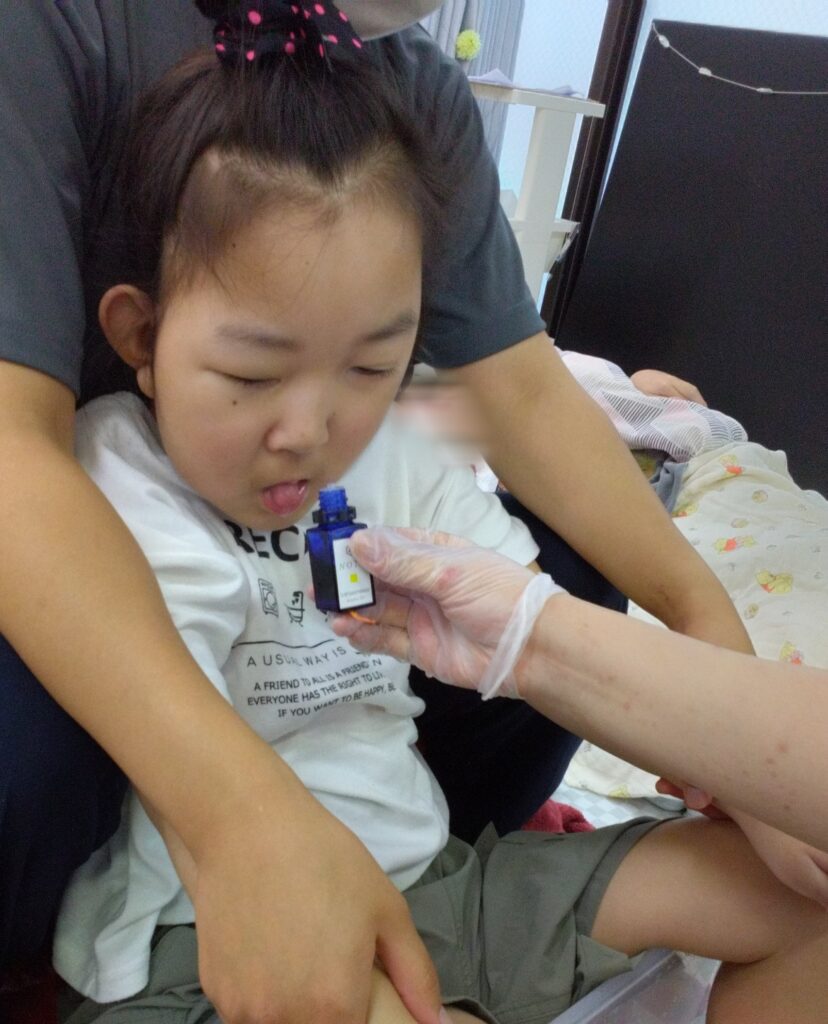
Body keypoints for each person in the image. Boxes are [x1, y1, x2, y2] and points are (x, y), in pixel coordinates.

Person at [53, 14, 828, 1024]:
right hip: (209, 942)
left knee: (801, 904)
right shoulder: (120, 472)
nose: (310, 431)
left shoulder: (399, 450)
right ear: (140, 337)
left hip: (436, 886)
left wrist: (742, 763)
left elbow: (543, 633)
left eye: (370, 366)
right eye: (251, 374)